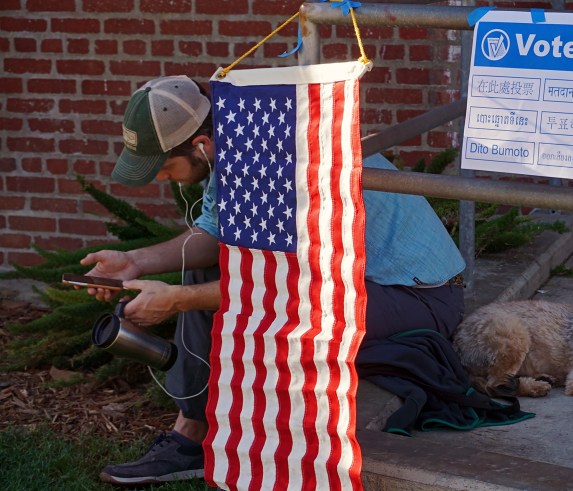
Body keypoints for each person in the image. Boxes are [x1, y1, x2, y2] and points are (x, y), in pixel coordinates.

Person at [84, 75, 466, 487]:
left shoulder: (271, 161)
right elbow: (214, 233)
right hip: (357, 282)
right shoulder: (241, 137)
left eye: (163, 166)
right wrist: (133, 261)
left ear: (200, 145)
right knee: (200, 268)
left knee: (234, 296)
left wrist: (177, 300)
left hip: (416, 296)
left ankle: (218, 440)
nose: (160, 179)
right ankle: (192, 434)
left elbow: (284, 285)